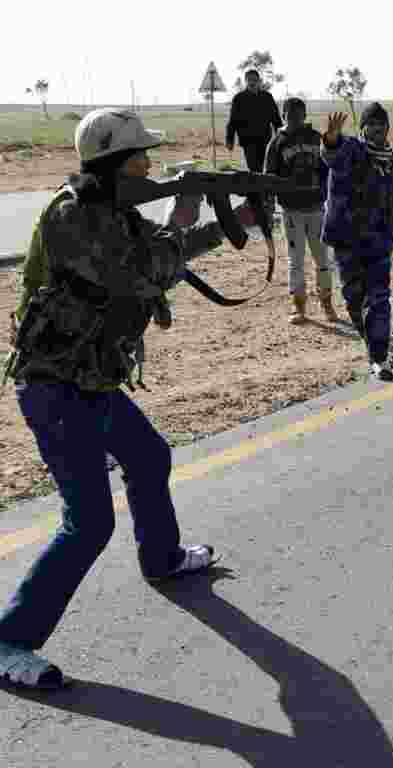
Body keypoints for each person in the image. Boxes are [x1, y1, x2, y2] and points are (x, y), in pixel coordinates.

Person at [0, 108, 237, 690]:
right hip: (56, 387)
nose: (150, 165)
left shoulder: (115, 213)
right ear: (114, 165)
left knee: (150, 458)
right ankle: (10, 639)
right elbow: (146, 270)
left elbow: (164, 252)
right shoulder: (74, 215)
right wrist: (184, 209)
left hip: (93, 378)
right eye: (140, 158)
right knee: (88, 523)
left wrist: (239, 218)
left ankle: (161, 558)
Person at [320, 103, 393, 381]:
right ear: (363, 128)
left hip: (379, 243)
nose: (376, 128)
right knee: (354, 301)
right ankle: (372, 343)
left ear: (387, 128)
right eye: (371, 124)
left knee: (379, 300)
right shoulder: (352, 151)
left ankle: (379, 358)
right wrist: (330, 139)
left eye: (381, 124)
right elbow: (332, 155)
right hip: (347, 242)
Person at [263, 97, 337, 325]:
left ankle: (326, 302)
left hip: (317, 209)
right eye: (290, 115)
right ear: (283, 116)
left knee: (322, 258)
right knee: (295, 261)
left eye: (299, 115)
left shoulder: (316, 138)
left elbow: (329, 168)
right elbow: (268, 178)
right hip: (291, 211)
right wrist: (268, 206)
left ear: (305, 116)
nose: (295, 119)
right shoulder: (277, 143)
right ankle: (299, 306)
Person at [225, 69, 283, 173]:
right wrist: (229, 140)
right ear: (246, 81)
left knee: (263, 167)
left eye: (254, 80)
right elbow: (233, 121)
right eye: (249, 80)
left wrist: (281, 138)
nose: (252, 82)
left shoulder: (267, 97)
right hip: (248, 141)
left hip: (265, 140)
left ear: (259, 81)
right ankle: (257, 182)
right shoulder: (239, 98)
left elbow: (276, 119)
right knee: (254, 168)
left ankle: (261, 182)